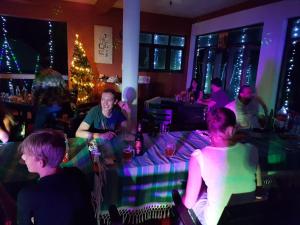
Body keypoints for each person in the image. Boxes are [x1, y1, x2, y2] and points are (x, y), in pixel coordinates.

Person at [183, 108, 262, 225]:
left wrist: (180, 201)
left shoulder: (199, 157)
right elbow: (258, 188)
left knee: (193, 201)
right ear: (231, 130)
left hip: (216, 222)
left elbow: (188, 203)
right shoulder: (252, 150)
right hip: (246, 219)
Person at [17, 129, 96, 225]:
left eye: (27, 155)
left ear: (41, 162)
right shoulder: (76, 174)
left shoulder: (28, 195)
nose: (23, 157)